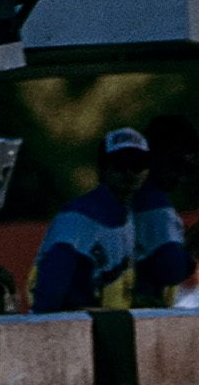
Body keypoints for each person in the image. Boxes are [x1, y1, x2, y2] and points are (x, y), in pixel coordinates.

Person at [29, 128, 148, 313]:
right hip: (72, 332)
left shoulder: (130, 217)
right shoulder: (76, 219)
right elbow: (50, 294)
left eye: (138, 164)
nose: (129, 172)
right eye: (119, 164)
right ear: (102, 170)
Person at [134, 114, 198, 309]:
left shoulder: (124, 197)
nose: (182, 176)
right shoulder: (153, 201)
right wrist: (189, 255)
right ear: (156, 156)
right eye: (179, 164)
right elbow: (170, 268)